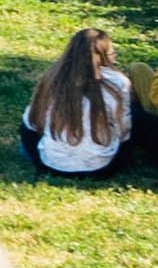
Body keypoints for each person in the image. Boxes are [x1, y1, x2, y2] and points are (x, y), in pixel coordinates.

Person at [22, 24, 134, 180]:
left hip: (52, 165)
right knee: (137, 117)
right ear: (103, 56)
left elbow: (31, 122)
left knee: (26, 126)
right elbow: (124, 130)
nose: (115, 58)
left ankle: (52, 152)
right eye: (112, 53)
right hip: (101, 168)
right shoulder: (118, 82)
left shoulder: (53, 78)